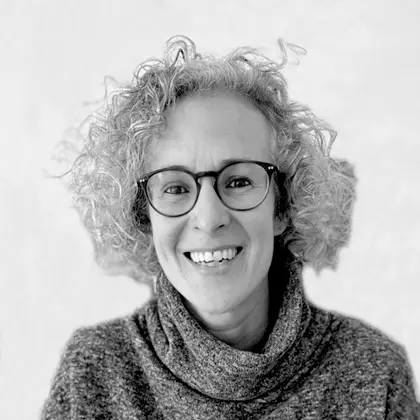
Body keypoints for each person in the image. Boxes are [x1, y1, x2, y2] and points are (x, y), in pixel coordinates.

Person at [41, 35, 419, 419]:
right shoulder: (93, 376)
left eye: (238, 181)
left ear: (283, 205)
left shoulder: (375, 375)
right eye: (175, 188)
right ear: (144, 217)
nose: (208, 218)